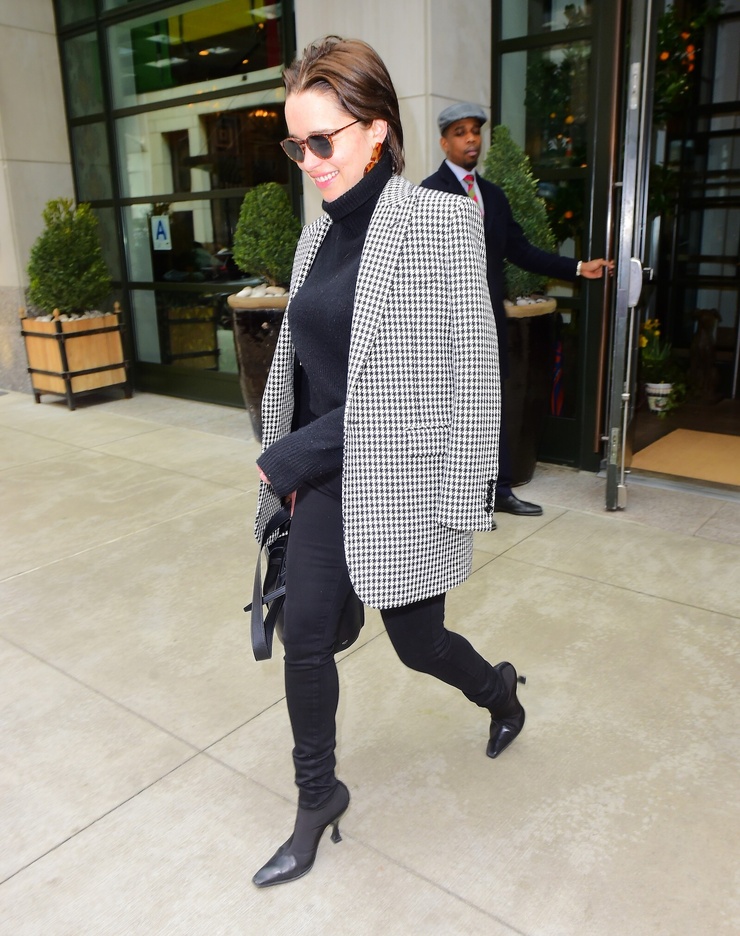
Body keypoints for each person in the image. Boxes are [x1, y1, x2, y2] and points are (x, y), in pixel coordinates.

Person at [251, 37, 525, 888]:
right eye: (296, 146)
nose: (310, 163)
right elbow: (308, 369)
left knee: (419, 644)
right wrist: (290, 459)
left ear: (376, 130)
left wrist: (288, 456)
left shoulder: (441, 226)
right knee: (305, 640)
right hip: (325, 485)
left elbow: (461, 379)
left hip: (402, 486)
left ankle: (499, 692)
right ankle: (317, 796)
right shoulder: (314, 237)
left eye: (322, 140)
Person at [421, 104, 613, 520]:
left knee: (492, 406)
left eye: (475, 131)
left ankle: (500, 490)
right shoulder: (427, 193)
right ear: (444, 142)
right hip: (443, 324)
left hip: (489, 321)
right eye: (460, 132)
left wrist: (578, 267)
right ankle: (443, 495)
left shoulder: (492, 195)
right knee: (446, 409)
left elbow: (521, 251)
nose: (471, 139)